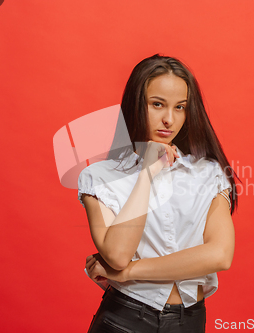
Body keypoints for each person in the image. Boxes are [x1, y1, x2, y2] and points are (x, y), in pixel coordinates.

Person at [78, 54, 239, 332]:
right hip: (124, 319)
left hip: (189, 321)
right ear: (135, 105)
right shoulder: (99, 177)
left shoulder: (208, 173)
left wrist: (128, 272)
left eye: (180, 107)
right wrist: (147, 174)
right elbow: (117, 254)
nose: (169, 119)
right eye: (157, 104)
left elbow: (219, 255)